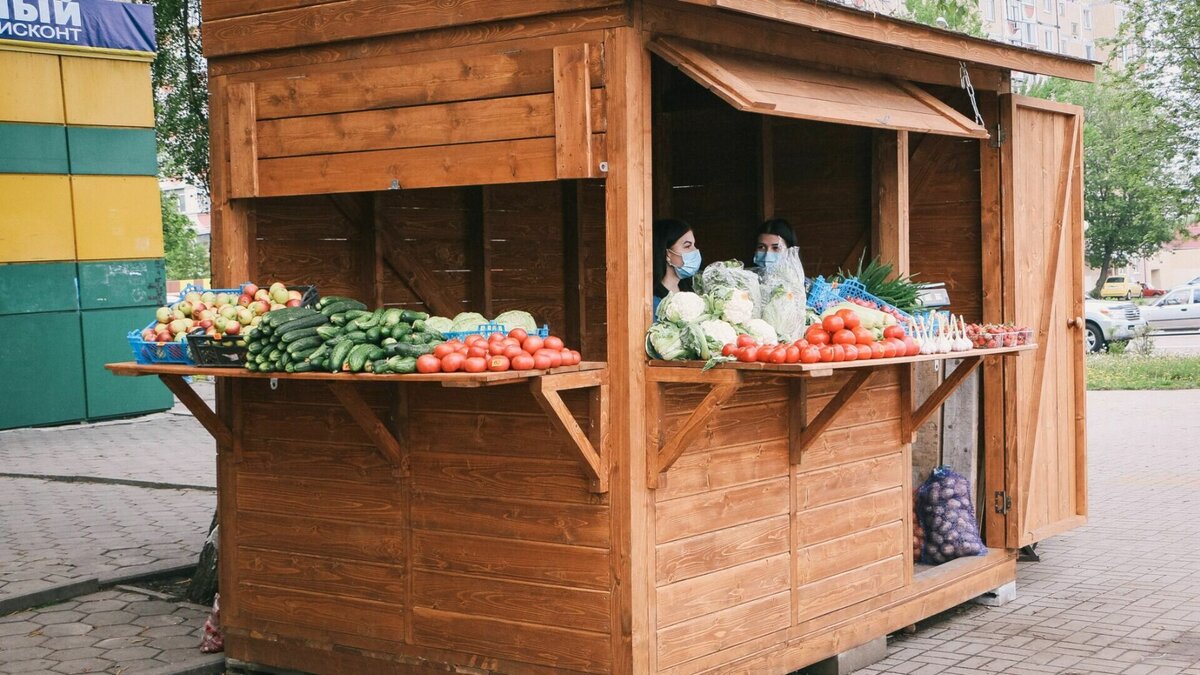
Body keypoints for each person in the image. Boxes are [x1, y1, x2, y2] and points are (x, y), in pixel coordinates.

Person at [652, 218, 701, 318]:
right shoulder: (653, 301)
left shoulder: (693, 288)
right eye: (687, 246)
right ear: (667, 253)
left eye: (694, 245)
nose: (695, 251)